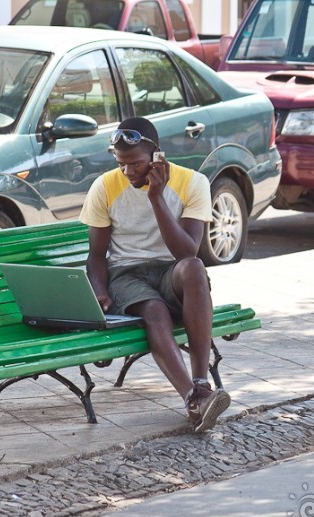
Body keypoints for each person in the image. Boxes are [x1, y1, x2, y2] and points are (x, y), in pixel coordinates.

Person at [79, 116, 230, 433]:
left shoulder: (193, 183)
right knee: (154, 310)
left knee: (195, 268)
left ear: (157, 156)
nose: (128, 171)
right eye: (121, 163)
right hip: (126, 275)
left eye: (135, 163)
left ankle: (200, 381)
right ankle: (195, 398)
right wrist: (98, 290)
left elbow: (186, 252)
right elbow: (96, 256)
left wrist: (156, 197)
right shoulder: (105, 187)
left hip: (172, 272)